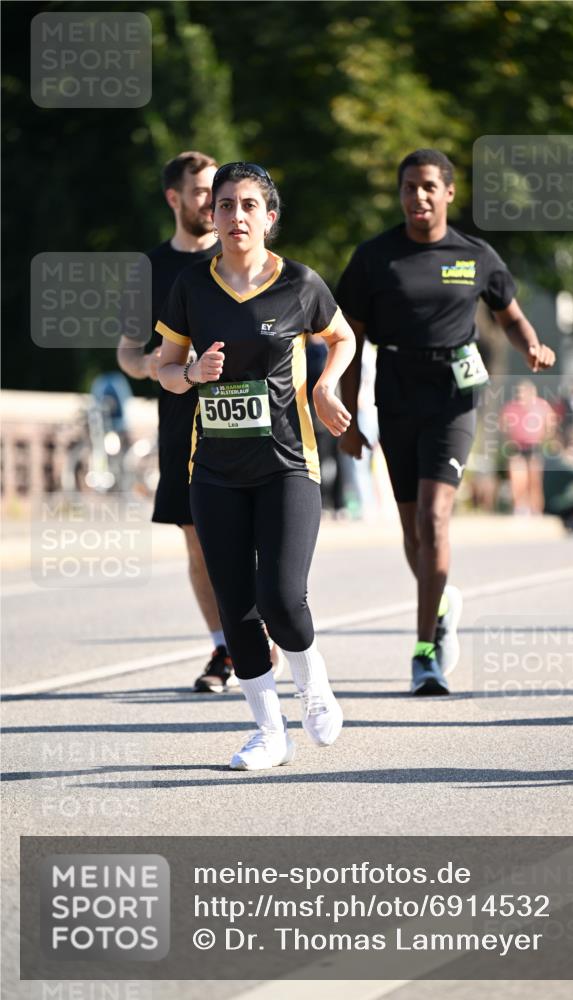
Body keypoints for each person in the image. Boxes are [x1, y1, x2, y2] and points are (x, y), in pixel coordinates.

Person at [156, 161, 356, 770]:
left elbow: (342, 337)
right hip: (215, 470)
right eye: (224, 205)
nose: (235, 215)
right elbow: (165, 368)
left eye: (248, 205)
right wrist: (192, 373)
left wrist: (325, 385)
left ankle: (312, 683)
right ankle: (270, 732)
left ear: (269, 217)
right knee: (237, 604)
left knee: (282, 598)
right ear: (211, 215)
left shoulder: (299, 283)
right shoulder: (192, 285)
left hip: (287, 463)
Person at [337, 148, 556, 696]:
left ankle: (424, 653)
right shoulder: (374, 258)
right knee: (413, 529)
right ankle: (440, 602)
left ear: (449, 193)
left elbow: (510, 315)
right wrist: (347, 418)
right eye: (409, 186)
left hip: (455, 395)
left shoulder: (475, 254)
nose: (418, 196)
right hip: (395, 391)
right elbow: (349, 340)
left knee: (434, 518)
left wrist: (531, 345)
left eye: (429, 186)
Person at [117, 151, 281, 692]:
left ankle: (267, 624)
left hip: (250, 418)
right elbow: (128, 352)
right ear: (175, 198)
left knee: (257, 537)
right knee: (199, 541)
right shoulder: (151, 270)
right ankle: (225, 649)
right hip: (181, 417)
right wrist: (156, 366)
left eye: (221, 193)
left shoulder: (242, 252)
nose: (215, 203)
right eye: (202, 193)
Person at [500, 380, 556, 515]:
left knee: (534, 481)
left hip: (534, 447)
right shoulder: (511, 407)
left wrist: (543, 438)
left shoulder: (542, 406)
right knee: (518, 479)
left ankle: (536, 509)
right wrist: (510, 438)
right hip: (517, 447)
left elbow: (551, 424)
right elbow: (503, 425)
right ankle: (519, 507)